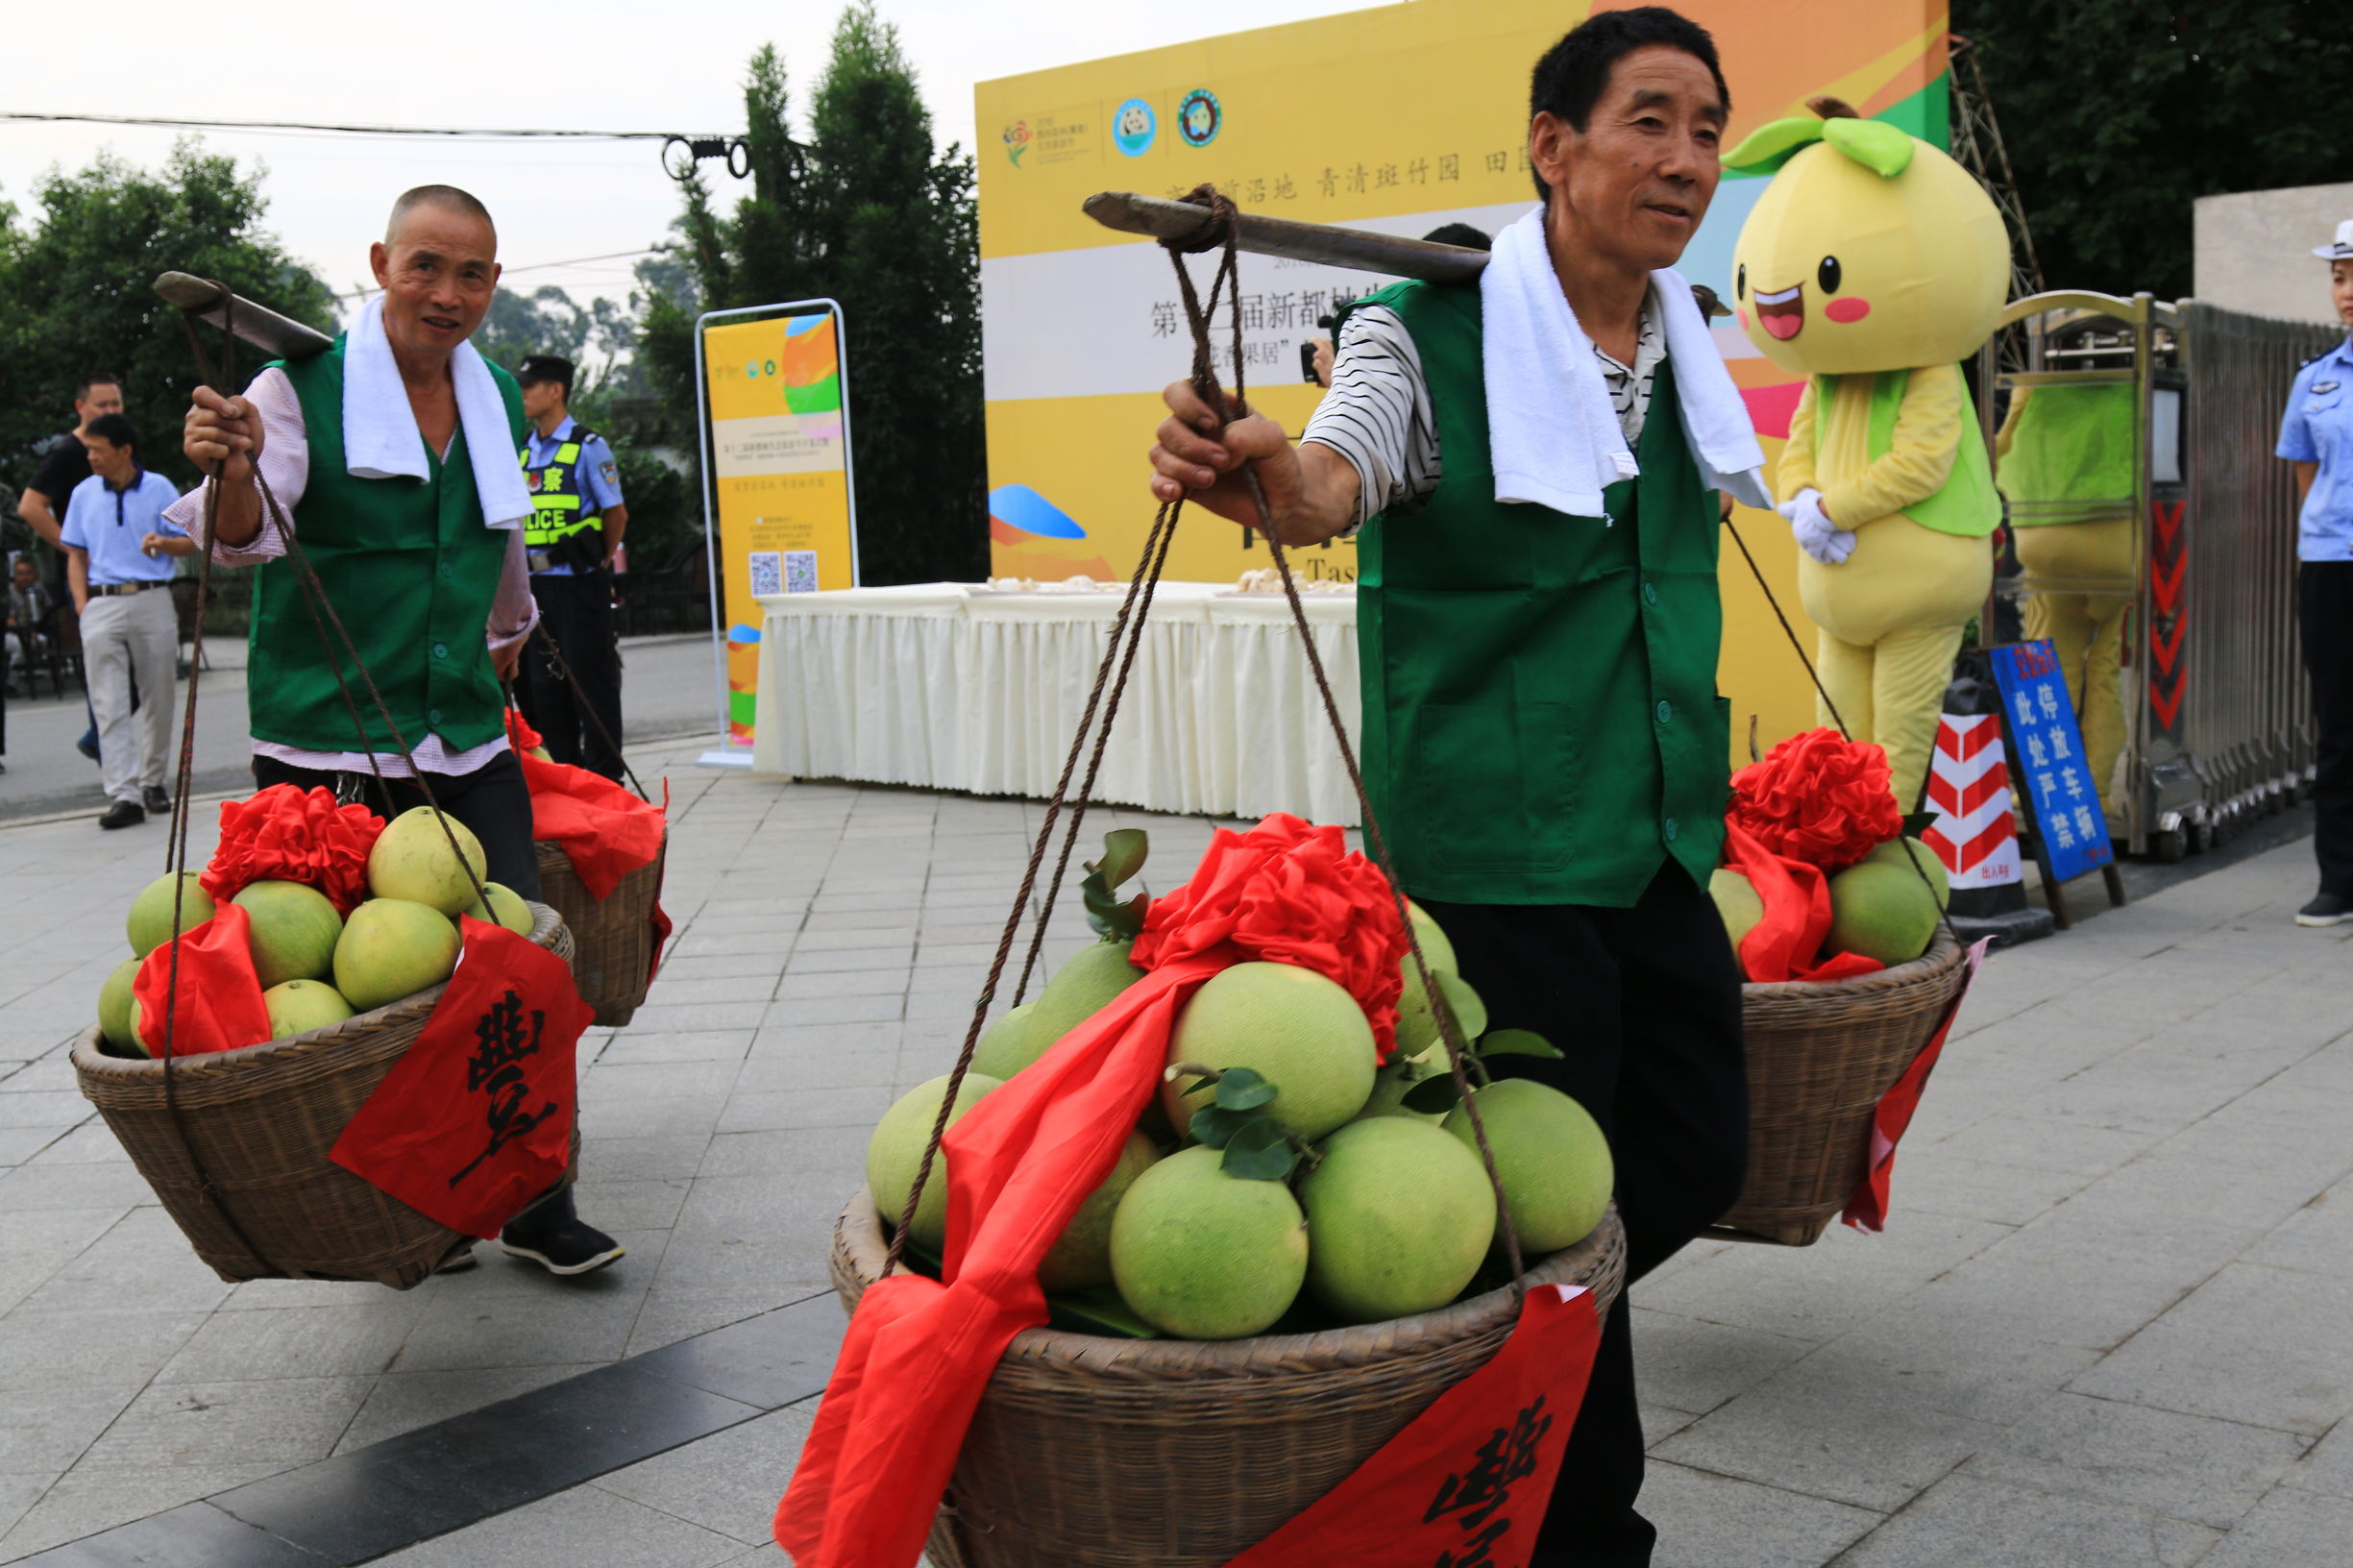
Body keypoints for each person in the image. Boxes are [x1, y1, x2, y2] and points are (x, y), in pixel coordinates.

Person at [1149, 12, 1757, 1562]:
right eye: (1647, 121)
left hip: (1649, 831)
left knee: (1679, 1161)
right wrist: (1266, 473)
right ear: (1550, 147)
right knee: (1559, 1220)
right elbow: (1329, 482)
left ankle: (1461, 1390)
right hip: (1493, 848)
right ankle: (1575, 1529)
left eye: (1703, 126)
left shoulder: (1676, 334)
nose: (1683, 158)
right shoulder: (1413, 335)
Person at [171, 184, 623, 1275]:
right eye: (425, 266)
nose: (447, 293)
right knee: (355, 998)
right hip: (324, 752)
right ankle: (407, 1207)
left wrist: (511, 626)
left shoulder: (500, 401)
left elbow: (500, 532)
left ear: (493, 287)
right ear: (381, 263)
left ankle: (536, 1198)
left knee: (517, 967)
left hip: (465, 734)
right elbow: (240, 538)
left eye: (470, 274)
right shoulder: (292, 391)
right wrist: (226, 462)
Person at [59, 414, 192, 827]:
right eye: (89, 450)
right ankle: (124, 794)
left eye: (97, 449)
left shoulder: (159, 488)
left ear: (124, 450)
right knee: (108, 702)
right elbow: (76, 555)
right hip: (101, 603)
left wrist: (163, 542)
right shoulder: (83, 493)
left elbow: (189, 542)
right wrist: (82, 604)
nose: (91, 457)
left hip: (151, 598)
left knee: (159, 695)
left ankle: (153, 781)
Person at [2278, 217, 2353, 927]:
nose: (2346, 291)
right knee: (2337, 724)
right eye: (2337, 276)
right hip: (2331, 565)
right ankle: (2338, 879)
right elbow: (2308, 473)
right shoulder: (2315, 378)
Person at [512, 354, 628, 780]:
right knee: (546, 690)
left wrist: (597, 560)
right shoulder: (525, 452)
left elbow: (616, 513)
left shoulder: (587, 446)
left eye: (529, 387)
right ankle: (565, 777)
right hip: (536, 588)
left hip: (579, 585)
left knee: (592, 685)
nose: (522, 395)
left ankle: (605, 778)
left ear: (555, 390)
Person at [21, 373, 129, 765]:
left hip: (130, 576)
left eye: (116, 404)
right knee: (104, 669)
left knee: (138, 674)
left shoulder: (120, 445)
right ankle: (104, 746)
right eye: (102, 405)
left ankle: (104, 742)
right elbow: (30, 506)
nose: (111, 411)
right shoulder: (68, 452)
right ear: (81, 408)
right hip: (88, 577)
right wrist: (74, 546)